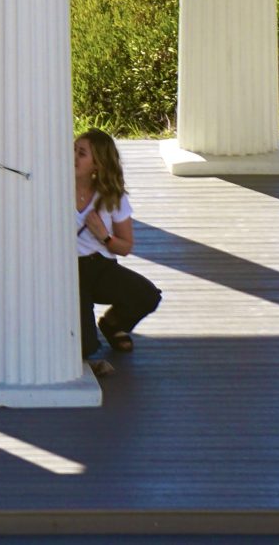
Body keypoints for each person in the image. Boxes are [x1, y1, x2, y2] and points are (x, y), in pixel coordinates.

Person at [74, 129, 161, 378]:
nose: (73, 157)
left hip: (99, 266)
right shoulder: (57, 188)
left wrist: (104, 235)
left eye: (81, 153)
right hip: (68, 270)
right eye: (73, 150)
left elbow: (125, 246)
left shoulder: (112, 196)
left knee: (147, 295)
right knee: (86, 346)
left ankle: (112, 324)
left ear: (97, 165)